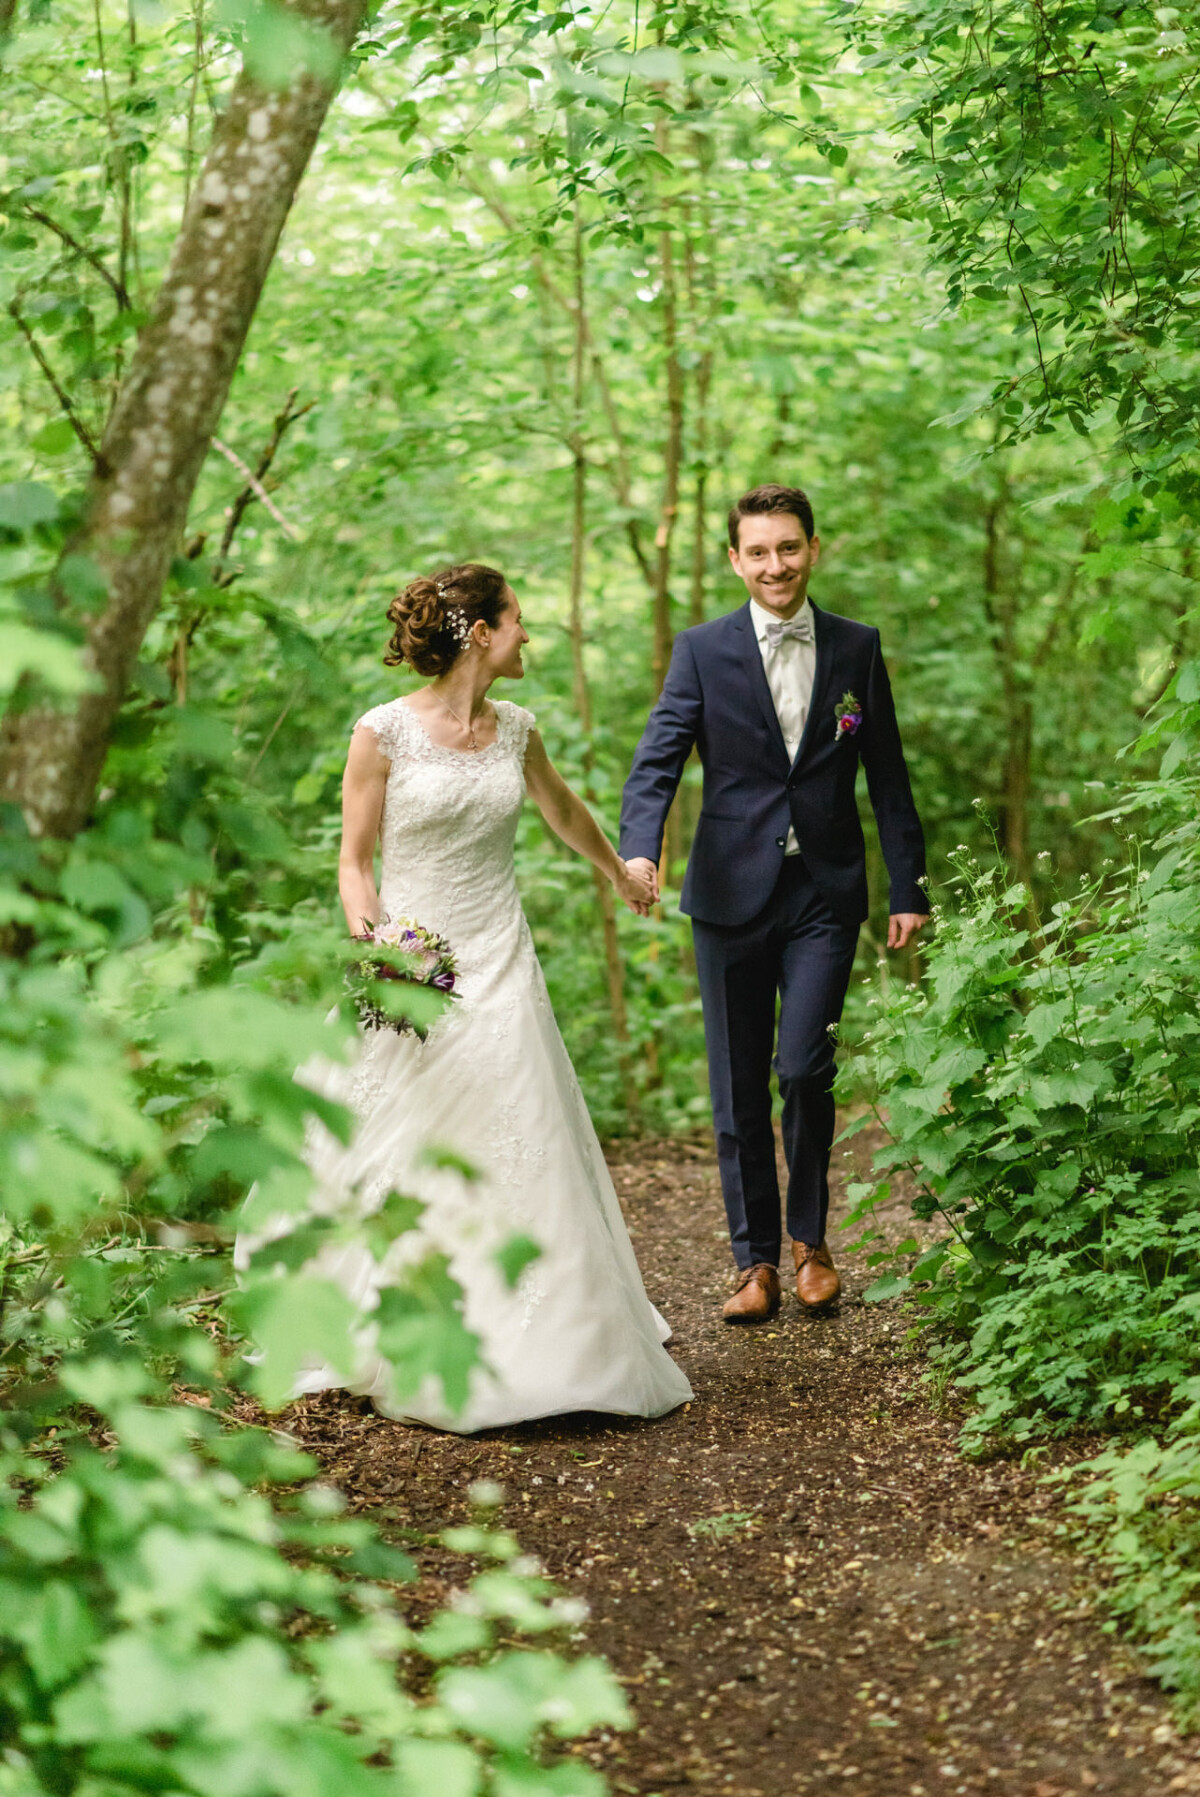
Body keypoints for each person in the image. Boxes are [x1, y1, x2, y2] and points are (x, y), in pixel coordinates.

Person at [244, 563, 693, 1430]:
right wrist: (377, 946)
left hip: (502, 957)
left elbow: (562, 810)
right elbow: (354, 860)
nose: (529, 634)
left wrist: (623, 875)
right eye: (519, 619)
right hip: (417, 967)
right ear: (479, 632)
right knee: (410, 1145)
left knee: (524, 1134)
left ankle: (559, 1349)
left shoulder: (516, 728)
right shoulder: (380, 733)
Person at [620, 484, 928, 1323]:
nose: (775, 565)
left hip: (825, 891)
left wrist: (910, 885)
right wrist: (640, 848)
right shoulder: (701, 650)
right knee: (736, 1084)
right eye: (758, 551)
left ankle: (810, 1243)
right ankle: (752, 1261)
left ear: (813, 550)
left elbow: (887, 771)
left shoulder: (856, 649)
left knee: (803, 1067)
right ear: (735, 560)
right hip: (727, 893)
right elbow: (658, 759)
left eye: (788, 548)